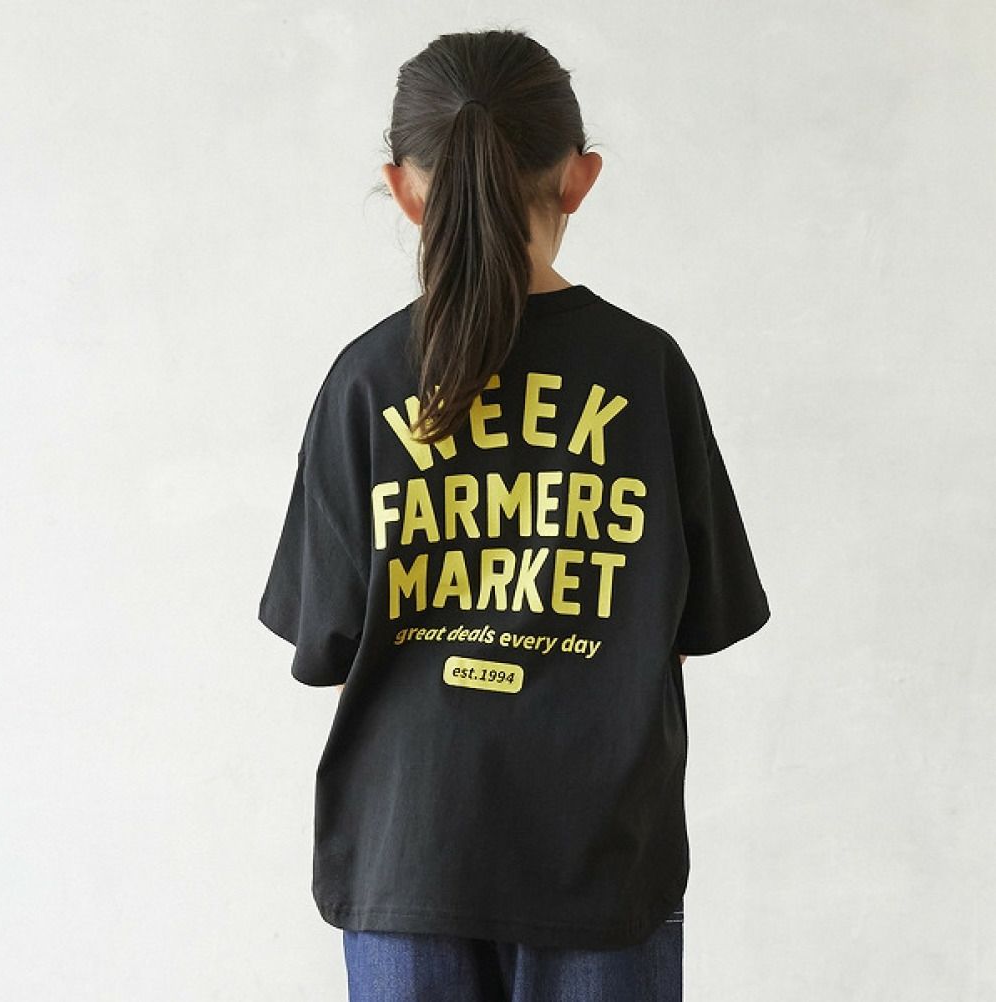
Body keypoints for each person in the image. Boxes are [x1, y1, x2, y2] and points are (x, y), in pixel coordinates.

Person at [258, 26, 771, 1002]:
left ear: (404, 189)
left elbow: (327, 645)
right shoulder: (645, 374)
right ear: (578, 178)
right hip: (601, 860)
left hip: (410, 859)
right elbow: (692, 625)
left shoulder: (366, 381)